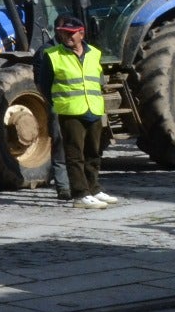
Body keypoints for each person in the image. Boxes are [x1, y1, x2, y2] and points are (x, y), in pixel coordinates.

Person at [34, 15, 117, 210]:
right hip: (70, 111)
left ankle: (94, 188)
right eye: (64, 33)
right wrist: (61, 103)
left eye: (71, 34)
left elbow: (99, 81)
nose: (67, 37)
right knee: (74, 154)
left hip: (93, 108)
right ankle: (80, 193)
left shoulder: (94, 53)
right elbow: (44, 86)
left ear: (81, 34)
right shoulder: (52, 55)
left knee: (93, 152)